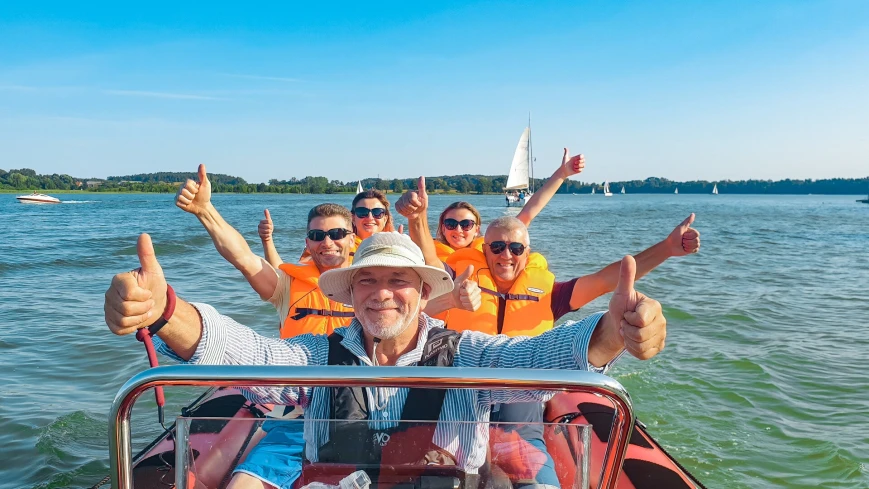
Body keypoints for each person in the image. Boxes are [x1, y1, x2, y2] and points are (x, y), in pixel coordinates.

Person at [104, 232, 668, 489]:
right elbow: (246, 353)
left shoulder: (465, 355)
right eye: (367, 281)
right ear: (348, 296)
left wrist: (614, 332)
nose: (382, 293)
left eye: (400, 280)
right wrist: (164, 311)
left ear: (424, 293)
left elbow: (540, 356)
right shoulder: (317, 356)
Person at [399, 170, 698, 487]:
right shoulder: (459, 282)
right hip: (465, 393)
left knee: (529, 457)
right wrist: (419, 221)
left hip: (522, 392)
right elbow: (430, 263)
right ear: (484, 250)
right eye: (497, 247)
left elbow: (605, 280)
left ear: (527, 256)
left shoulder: (551, 293)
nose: (506, 255)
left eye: (515, 249)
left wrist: (666, 249)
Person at [401, 149, 586, 260]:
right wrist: (415, 212)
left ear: (477, 229)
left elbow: (528, 213)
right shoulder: (426, 249)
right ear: (442, 227)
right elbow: (418, 234)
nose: (458, 230)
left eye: (466, 224)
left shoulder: (490, 249)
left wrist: (562, 174)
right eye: (451, 224)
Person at [261, 188, 403, 267]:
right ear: (353, 217)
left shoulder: (399, 244)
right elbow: (288, 276)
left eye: (377, 212)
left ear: (385, 217)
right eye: (362, 212)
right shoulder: (331, 243)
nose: (370, 218)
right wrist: (267, 239)